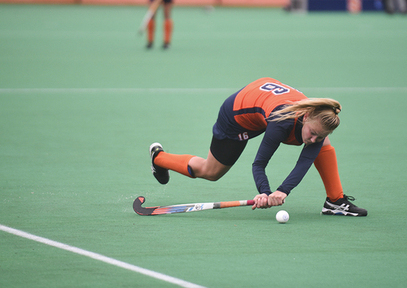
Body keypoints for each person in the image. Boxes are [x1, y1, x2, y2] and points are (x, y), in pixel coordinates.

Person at [149, 77, 367, 217]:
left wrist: (283, 191)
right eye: (312, 133)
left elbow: (305, 161)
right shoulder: (280, 123)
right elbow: (259, 163)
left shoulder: (317, 118)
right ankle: (159, 158)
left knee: (321, 144)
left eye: (319, 136)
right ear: (305, 116)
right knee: (211, 171)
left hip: (262, 102)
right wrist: (264, 192)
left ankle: (335, 201)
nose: (312, 140)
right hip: (236, 117)